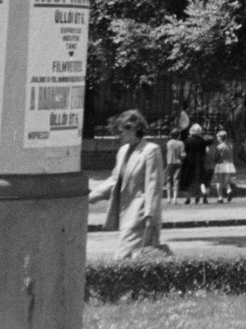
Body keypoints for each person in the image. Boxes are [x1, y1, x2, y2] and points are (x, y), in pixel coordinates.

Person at [88, 109, 171, 259]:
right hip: (126, 215)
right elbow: (114, 181)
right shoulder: (123, 151)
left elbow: (153, 184)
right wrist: (90, 197)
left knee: (121, 258)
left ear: (135, 129)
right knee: (132, 261)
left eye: (122, 132)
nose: (119, 136)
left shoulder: (151, 150)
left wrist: (150, 215)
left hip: (140, 216)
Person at [179, 123, 210, 204]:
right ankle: (203, 194)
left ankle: (188, 198)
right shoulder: (202, 141)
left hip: (189, 162)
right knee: (201, 180)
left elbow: (185, 151)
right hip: (199, 162)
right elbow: (204, 153)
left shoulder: (187, 141)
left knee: (189, 180)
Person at [228, 92, 246, 174]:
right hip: (234, 135)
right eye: (235, 100)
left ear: (242, 100)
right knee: (241, 153)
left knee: (233, 152)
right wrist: (224, 129)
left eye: (238, 99)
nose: (236, 101)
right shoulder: (232, 110)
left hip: (241, 135)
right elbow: (229, 122)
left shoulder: (245, 111)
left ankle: (230, 170)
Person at [212, 130, 236, 202]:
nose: (217, 138)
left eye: (217, 137)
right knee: (226, 181)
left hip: (220, 164)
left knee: (219, 182)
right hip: (229, 165)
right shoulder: (230, 146)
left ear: (220, 138)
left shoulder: (219, 147)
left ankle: (220, 198)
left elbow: (216, 157)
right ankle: (229, 191)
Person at [164, 128, 185, 203]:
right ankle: (175, 198)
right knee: (176, 180)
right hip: (178, 163)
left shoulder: (169, 143)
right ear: (178, 135)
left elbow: (167, 152)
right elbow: (182, 154)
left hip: (170, 162)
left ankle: (168, 198)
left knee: (169, 179)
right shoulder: (181, 143)